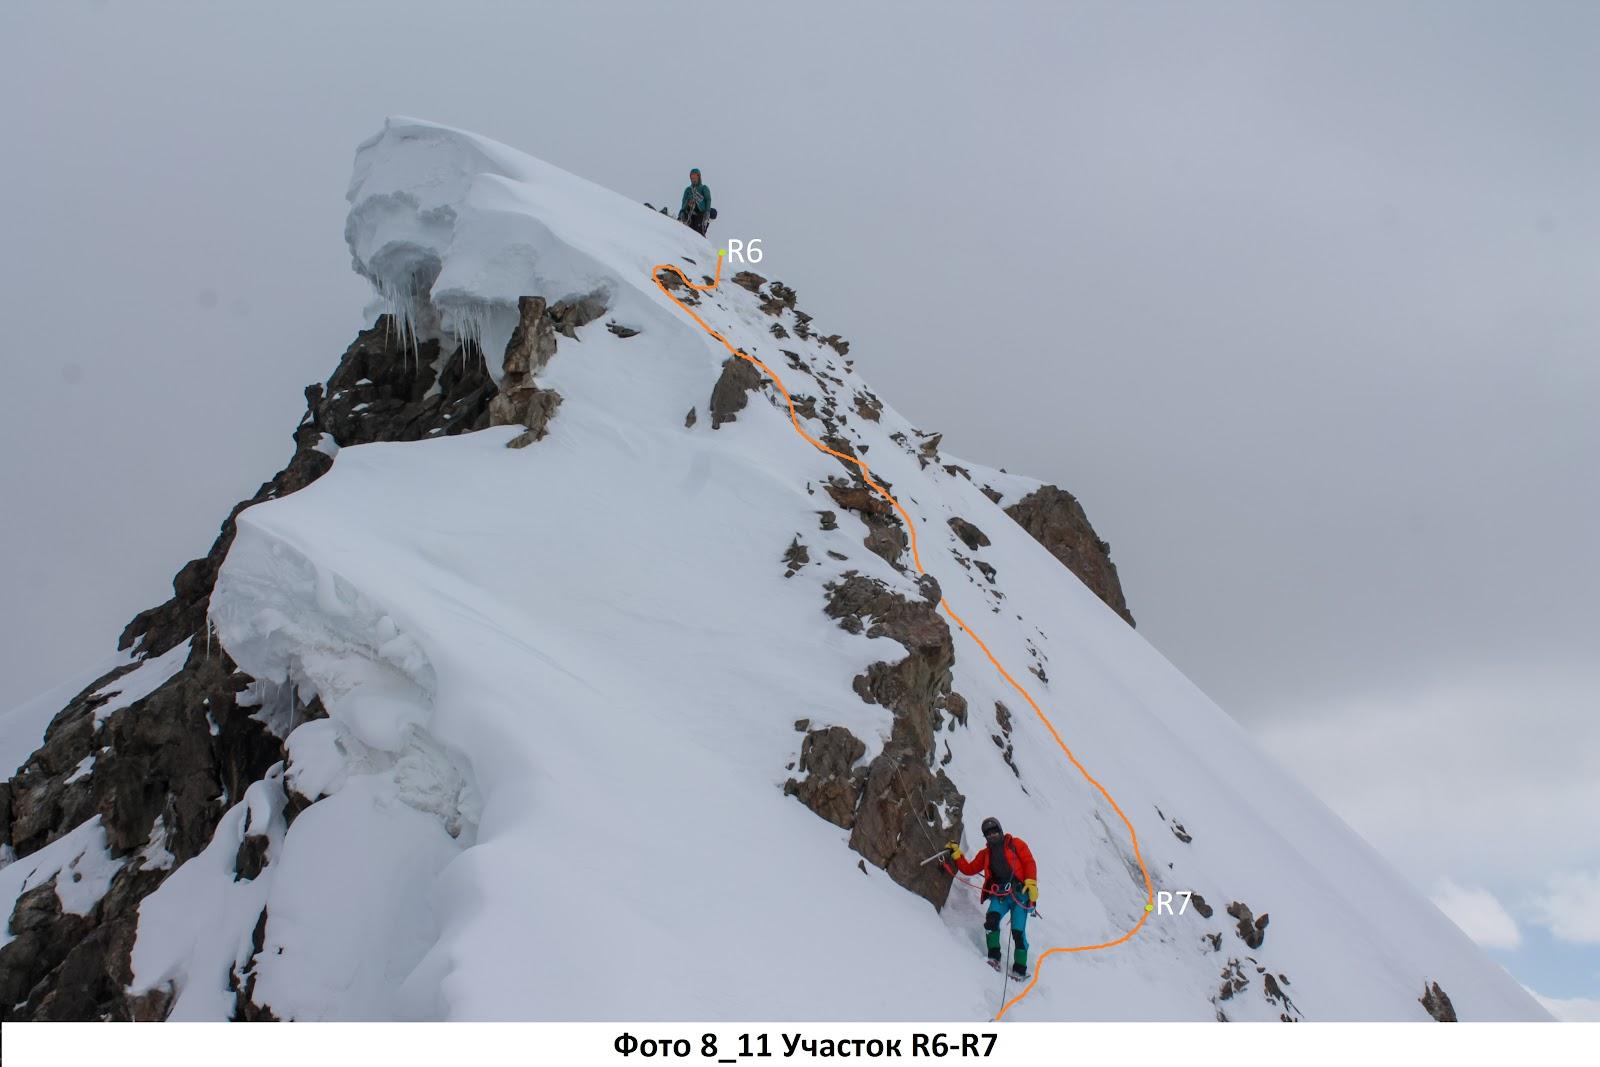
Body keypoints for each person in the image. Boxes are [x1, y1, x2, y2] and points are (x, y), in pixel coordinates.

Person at [947, 817, 1037, 978]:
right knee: (991, 921)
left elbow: (1029, 862)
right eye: (989, 834)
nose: (993, 835)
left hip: (1020, 895)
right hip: (1000, 895)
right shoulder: (986, 854)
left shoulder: (1016, 844)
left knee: (1017, 932)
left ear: (1000, 830)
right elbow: (969, 869)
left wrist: (1031, 882)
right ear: (985, 836)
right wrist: (957, 854)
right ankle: (994, 958)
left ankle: (1020, 969)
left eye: (995, 831)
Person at [678, 168, 713, 235]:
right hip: (689, 213)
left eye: (694, 177)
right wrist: (682, 211)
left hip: (701, 213)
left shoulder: (704, 188)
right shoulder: (688, 190)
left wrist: (707, 211)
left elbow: (708, 200)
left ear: (698, 177)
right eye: (691, 177)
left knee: (698, 232)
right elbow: (683, 202)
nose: (693, 179)